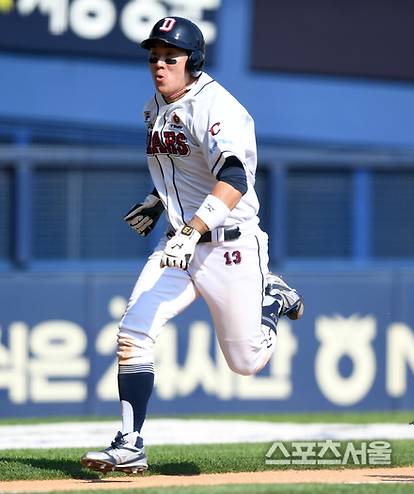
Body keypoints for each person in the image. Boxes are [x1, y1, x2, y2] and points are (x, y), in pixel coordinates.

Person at [80, 16, 303, 474]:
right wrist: (157, 203)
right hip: (180, 245)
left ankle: (272, 298)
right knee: (133, 333)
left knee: (247, 362)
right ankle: (130, 443)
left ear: (193, 62)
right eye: (154, 57)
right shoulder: (155, 106)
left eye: (170, 58)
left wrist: (191, 228)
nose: (159, 65)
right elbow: (183, 171)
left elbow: (235, 179)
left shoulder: (216, 107)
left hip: (229, 245)